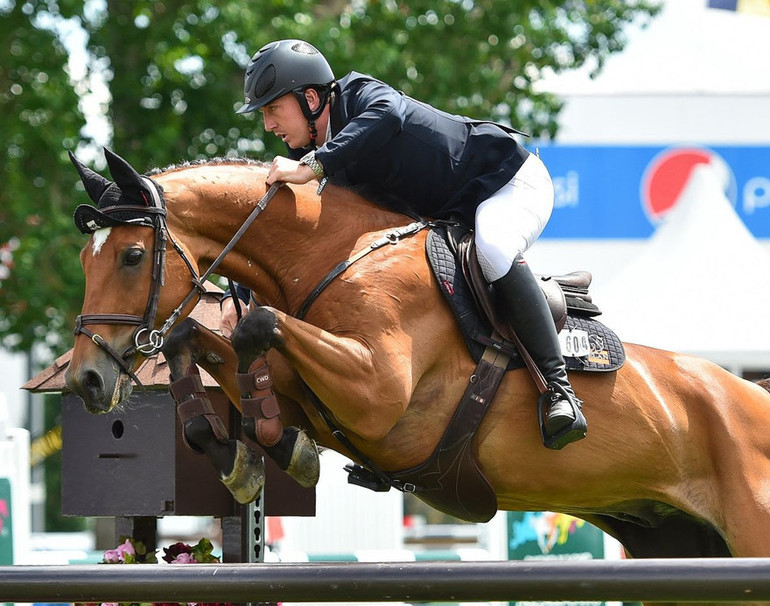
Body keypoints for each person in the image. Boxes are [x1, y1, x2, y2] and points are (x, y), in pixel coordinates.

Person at [225, 39, 586, 449]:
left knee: (495, 247)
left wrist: (314, 166)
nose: (268, 125)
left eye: (273, 109)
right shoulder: (324, 156)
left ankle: (560, 391)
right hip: (452, 219)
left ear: (310, 98)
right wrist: (244, 280)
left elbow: (389, 113)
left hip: (508, 182)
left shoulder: (361, 95)